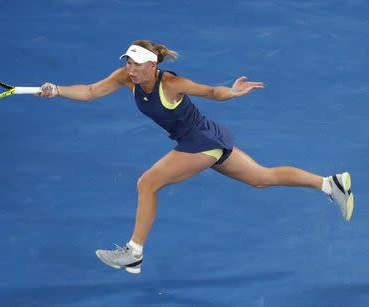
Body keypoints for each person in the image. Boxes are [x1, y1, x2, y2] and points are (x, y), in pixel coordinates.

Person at [39, 40, 354, 274]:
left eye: (137, 64)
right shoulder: (126, 77)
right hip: (206, 137)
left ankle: (134, 252)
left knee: (147, 183)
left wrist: (231, 91)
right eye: (128, 62)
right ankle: (331, 184)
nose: (130, 68)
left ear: (153, 66)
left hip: (200, 141)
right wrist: (58, 90)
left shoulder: (172, 83)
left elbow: (210, 92)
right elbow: (92, 91)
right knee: (263, 178)